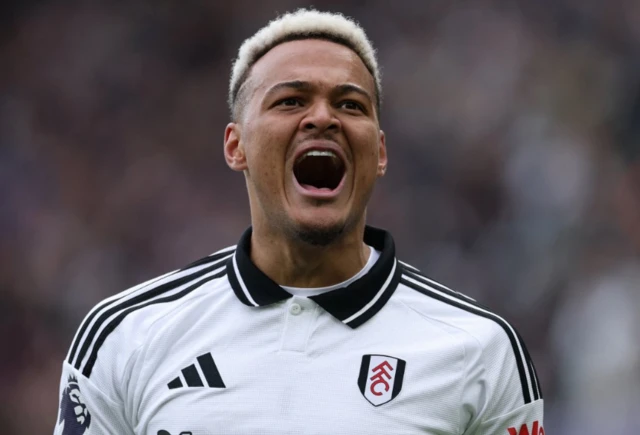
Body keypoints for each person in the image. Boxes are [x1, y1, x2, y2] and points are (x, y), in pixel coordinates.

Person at [54, 8, 544, 435]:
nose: (323, 118)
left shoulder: (481, 349)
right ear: (236, 145)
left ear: (380, 152)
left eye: (350, 105)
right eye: (290, 100)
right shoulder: (125, 335)